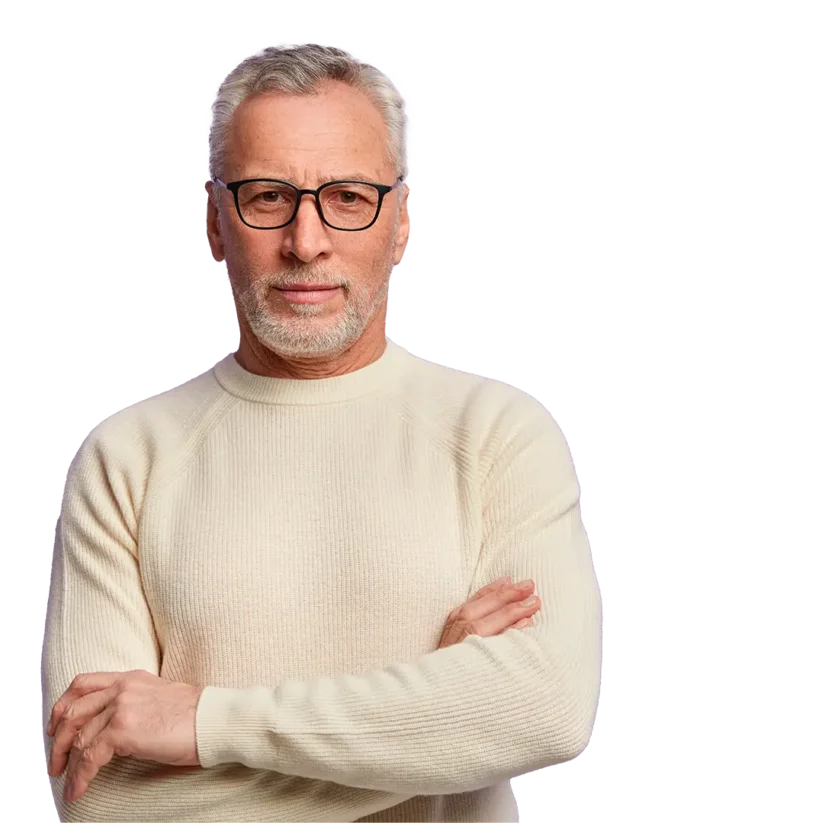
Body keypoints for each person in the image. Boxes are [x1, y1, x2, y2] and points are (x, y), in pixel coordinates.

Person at [42, 40, 601, 823]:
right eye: (268, 196)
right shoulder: (125, 459)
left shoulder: (499, 436)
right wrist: (429, 721)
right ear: (213, 221)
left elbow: (548, 711)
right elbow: (103, 801)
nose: (306, 242)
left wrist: (203, 724)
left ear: (401, 222)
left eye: (348, 196)